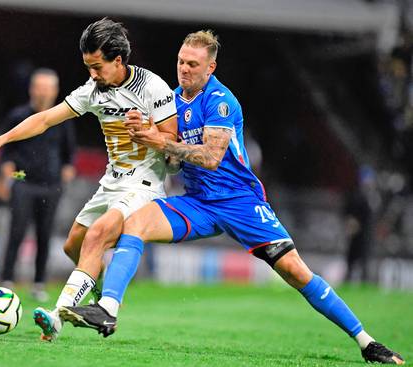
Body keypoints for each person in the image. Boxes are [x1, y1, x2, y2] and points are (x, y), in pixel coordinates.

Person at [59, 30, 405, 365]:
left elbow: (210, 158)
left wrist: (160, 141)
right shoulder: (171, 102)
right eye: (181, 61)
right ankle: (108, 310)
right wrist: (146, 137)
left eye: (193, 64)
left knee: (296, 272)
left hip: (240, 202)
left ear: (210, 68)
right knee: (134, 222)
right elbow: (174, 162)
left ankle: (367, 342)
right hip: (197, 203)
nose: (184, 69)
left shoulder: (221, 101)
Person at [0, 18, 177, 341]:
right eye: (88, 67)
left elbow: (172, 146)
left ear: (118, 60)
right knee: (74, 245)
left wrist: (147, 132)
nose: (92, 75)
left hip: (144, 184)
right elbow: (44, 119)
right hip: (111, 182)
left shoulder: (153, 88)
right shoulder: (92, 91)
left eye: (97, 67)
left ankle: (56, 317)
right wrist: (2, 140)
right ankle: (102, 299)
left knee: (97, 234)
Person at [0, 68, 76, 302]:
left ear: (55, 91)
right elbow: (6, 150)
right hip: (23, 179)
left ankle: (39, 283)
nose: (42, 92)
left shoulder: (62, 120)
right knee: (17, 231)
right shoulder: (17, 115)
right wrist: (7, 173)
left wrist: (67, 169)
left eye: (47, 87)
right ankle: (6, 281)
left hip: (51, 184)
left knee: (45, 234)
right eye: (38, 86)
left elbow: (69, 153)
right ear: (32, 89)